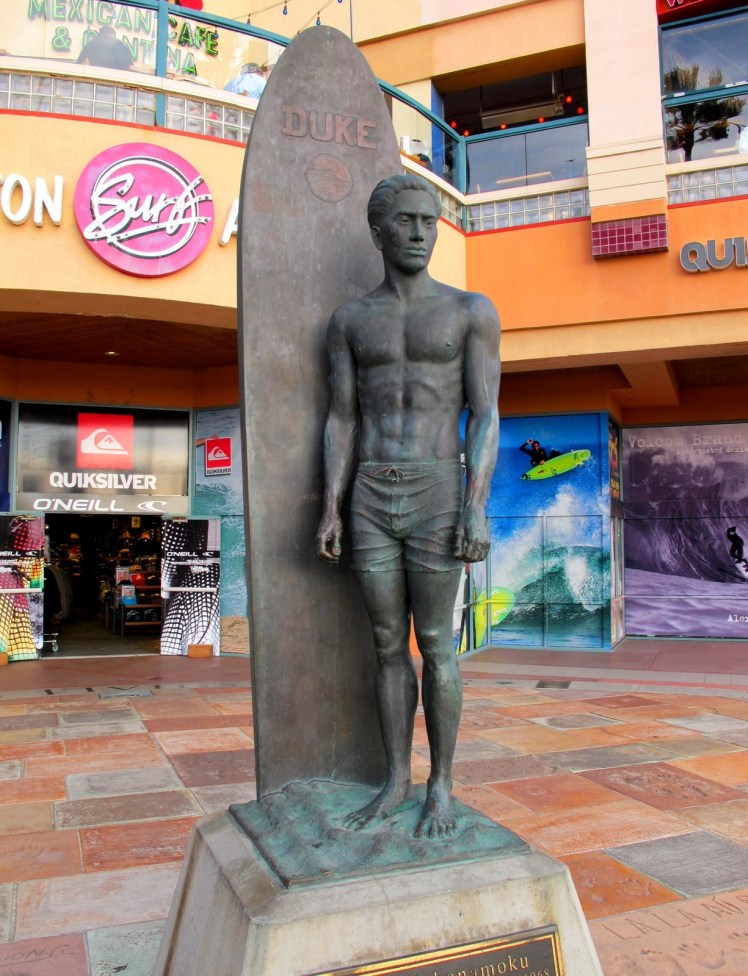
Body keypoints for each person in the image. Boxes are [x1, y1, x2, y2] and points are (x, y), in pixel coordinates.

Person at [316, 173, 500, 839]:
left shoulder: (468, 310)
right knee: (387, 642)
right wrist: (331, 504)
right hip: (368, 490)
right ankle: (396, 780)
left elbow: (486, 416)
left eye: (429, 221)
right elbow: (340, 417)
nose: (420, 232)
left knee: (438, 646)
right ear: (379, 230)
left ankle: (441, 785)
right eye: (407, 221)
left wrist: (475, 505)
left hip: (436, 489)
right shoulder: (350, 321)